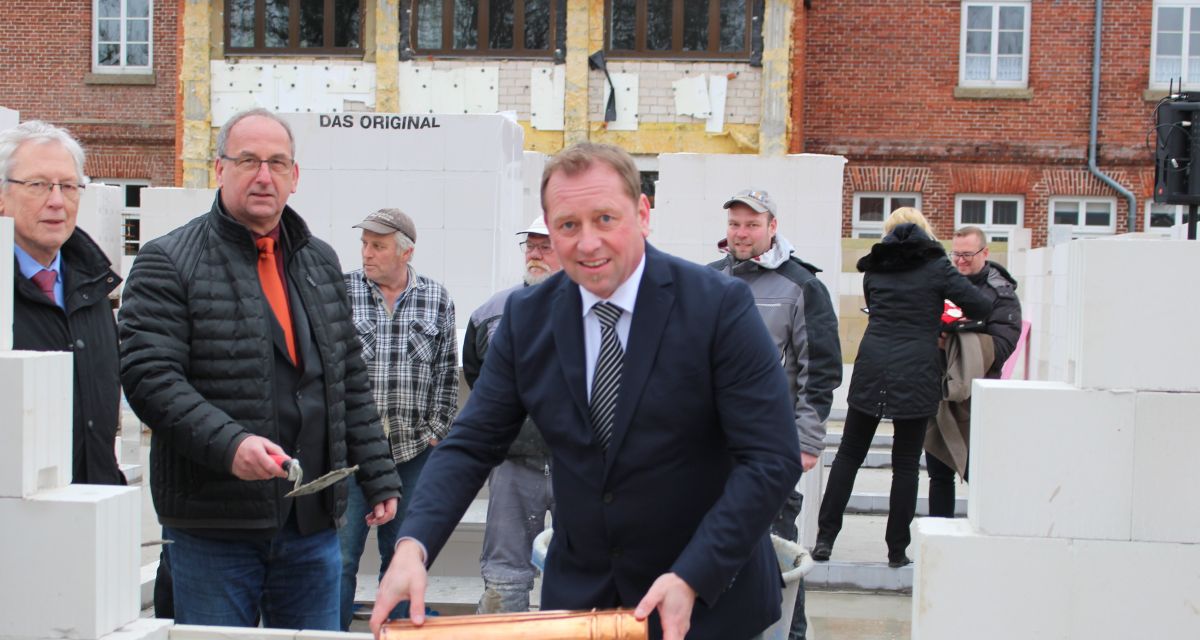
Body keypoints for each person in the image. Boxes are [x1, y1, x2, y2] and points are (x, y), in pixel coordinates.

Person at [370, 142, 802, 640]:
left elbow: (771, 457)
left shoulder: (718, 306)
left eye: (605, 218)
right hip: (584, 606)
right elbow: (471, 444)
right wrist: (413, 545)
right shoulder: (526, 320)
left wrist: (694, 574)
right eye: (568, 225)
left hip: (706, 602)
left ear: (642, 214)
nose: (588, 242)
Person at [118, 108, 401, 630]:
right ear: (220, 169)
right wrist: (230, 445)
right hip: (215, 527)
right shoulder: (168, 261)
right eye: (248, 160)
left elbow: (347, 380)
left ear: (295, 177)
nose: (263, 175)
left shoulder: (318, 262)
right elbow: (150, 378)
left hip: (311, 525)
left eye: (277, 162)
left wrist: (378, 473)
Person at [812, 208, 991, 568]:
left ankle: (824, 540)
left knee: (848, 455)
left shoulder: (875, 267)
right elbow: (981, 305)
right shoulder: (938, 267)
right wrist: (944, 321)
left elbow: (875, 306)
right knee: (906, 464)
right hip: (918, 368)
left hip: (872, 363)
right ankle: (896, 551)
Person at [708, 189, 842, 640]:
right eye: (734, 224)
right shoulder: (708, 280)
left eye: (751, 224)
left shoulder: (801, 286)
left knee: (776, 554)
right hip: (708, 447)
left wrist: (806, 441)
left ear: (772, 227)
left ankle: (790, 633)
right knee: (710, 547)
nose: (741, 233)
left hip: (769, 447)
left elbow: (820, 371)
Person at [339, 208, 458, 629]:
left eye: (378, 246)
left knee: (403, 556)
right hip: (350, 457)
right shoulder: (342, 291)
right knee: (342, 557)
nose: (367, 254)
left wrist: (435, 433)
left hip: (411, 455)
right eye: (365, 244)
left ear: (405, 252)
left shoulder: (436, 298)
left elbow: (447, 373)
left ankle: (400, 635)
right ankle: (333, 634)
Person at [1, 120, 124, 486]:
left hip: (88, 506)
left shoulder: (92, 285)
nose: (56, 200)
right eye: (38, 185)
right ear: (2, 196)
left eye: (69, 186)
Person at [462, 215, 562, 614]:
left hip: (578, 466)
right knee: (505, 575)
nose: (535, 254)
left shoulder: (594, 309)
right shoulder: (493, 311)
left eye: (545, 246)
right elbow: (477, 376)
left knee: (579, 567)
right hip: (513, 465)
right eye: (531, 246)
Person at [924, 226, 1022, 518]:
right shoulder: (941, 284)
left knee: (979, 472)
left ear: (985, 253)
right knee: (938, 475)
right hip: (938, 391)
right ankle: (940, 535)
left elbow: (1003, 347)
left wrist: (954, 340)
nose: (960, 261)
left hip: (977, 397)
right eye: (956, 254)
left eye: (967, 254)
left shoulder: (1001, 293)